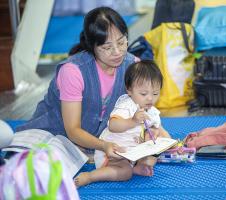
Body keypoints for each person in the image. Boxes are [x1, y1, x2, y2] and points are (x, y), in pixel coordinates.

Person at [16, 7, 140, 162]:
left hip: (100, 139)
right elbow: (73, 130)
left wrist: (158, 134)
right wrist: (103, 146)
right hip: (55, 133)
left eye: (122, 42)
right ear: (92, 46)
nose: (117, 52)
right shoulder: (73, 71)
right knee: (43, 165)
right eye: (107, 47)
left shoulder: (133, 65)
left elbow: (143, 109)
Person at [74, 60, 171, 187]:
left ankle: (137, 167)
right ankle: (91, 176)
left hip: (133, 153)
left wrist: (167, 142)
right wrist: (133, 121)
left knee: (152, 154)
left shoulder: (151, 111)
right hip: (113, 154)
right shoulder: (126, 105)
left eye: (155, 93)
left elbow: (160, 129)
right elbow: (113, 125)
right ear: (129, 89)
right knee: (125, 173)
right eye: (143, 93)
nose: (150, 98)